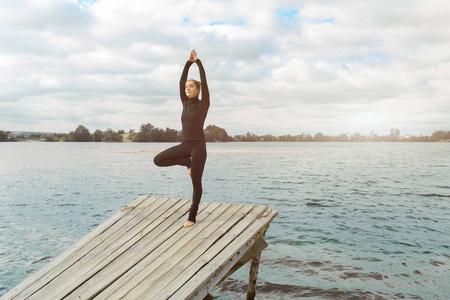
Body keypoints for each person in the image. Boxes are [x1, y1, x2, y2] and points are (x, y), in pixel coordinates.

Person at [154, 49, 210, 228]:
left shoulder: (204, 103)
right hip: (185, 145)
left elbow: (205, 80)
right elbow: (180, 82)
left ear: (198, 89)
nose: (187, 88)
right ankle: (187, 162)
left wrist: (197, 62)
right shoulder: (184, 102)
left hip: (198, 148)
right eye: (186, 87)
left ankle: (192, 216)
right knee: (158, 160)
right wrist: (187, 63)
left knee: (196, 183)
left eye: (191, 86)